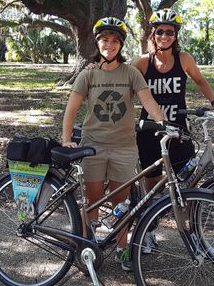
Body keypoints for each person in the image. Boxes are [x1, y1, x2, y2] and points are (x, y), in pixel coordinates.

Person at [61, 16, 165, 271]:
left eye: (114, 41)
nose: (109, 45)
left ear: (121, 44)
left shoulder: (130, 73)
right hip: (93, 145)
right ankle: (88, 248)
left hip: (124, 147)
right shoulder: (89, 74)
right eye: (104, 40)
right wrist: (66, 140)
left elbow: (148, 102)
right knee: (93, 200)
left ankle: (122, 248)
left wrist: (163, 122)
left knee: (121, 202)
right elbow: (71, 109)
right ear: (97, 44)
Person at [133, 8, 214, 194]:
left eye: (169, 32)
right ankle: (154, 217)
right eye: (159, 31)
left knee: (189, 180)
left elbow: (200, 81)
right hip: (150, 131)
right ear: (153, 34)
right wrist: (98, 66)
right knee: (153, 181)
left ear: (175, 36)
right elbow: (123, 83)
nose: (164, 36)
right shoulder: (143, 62)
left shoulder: (184, 59)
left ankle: (190, 220)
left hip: (179, 130)